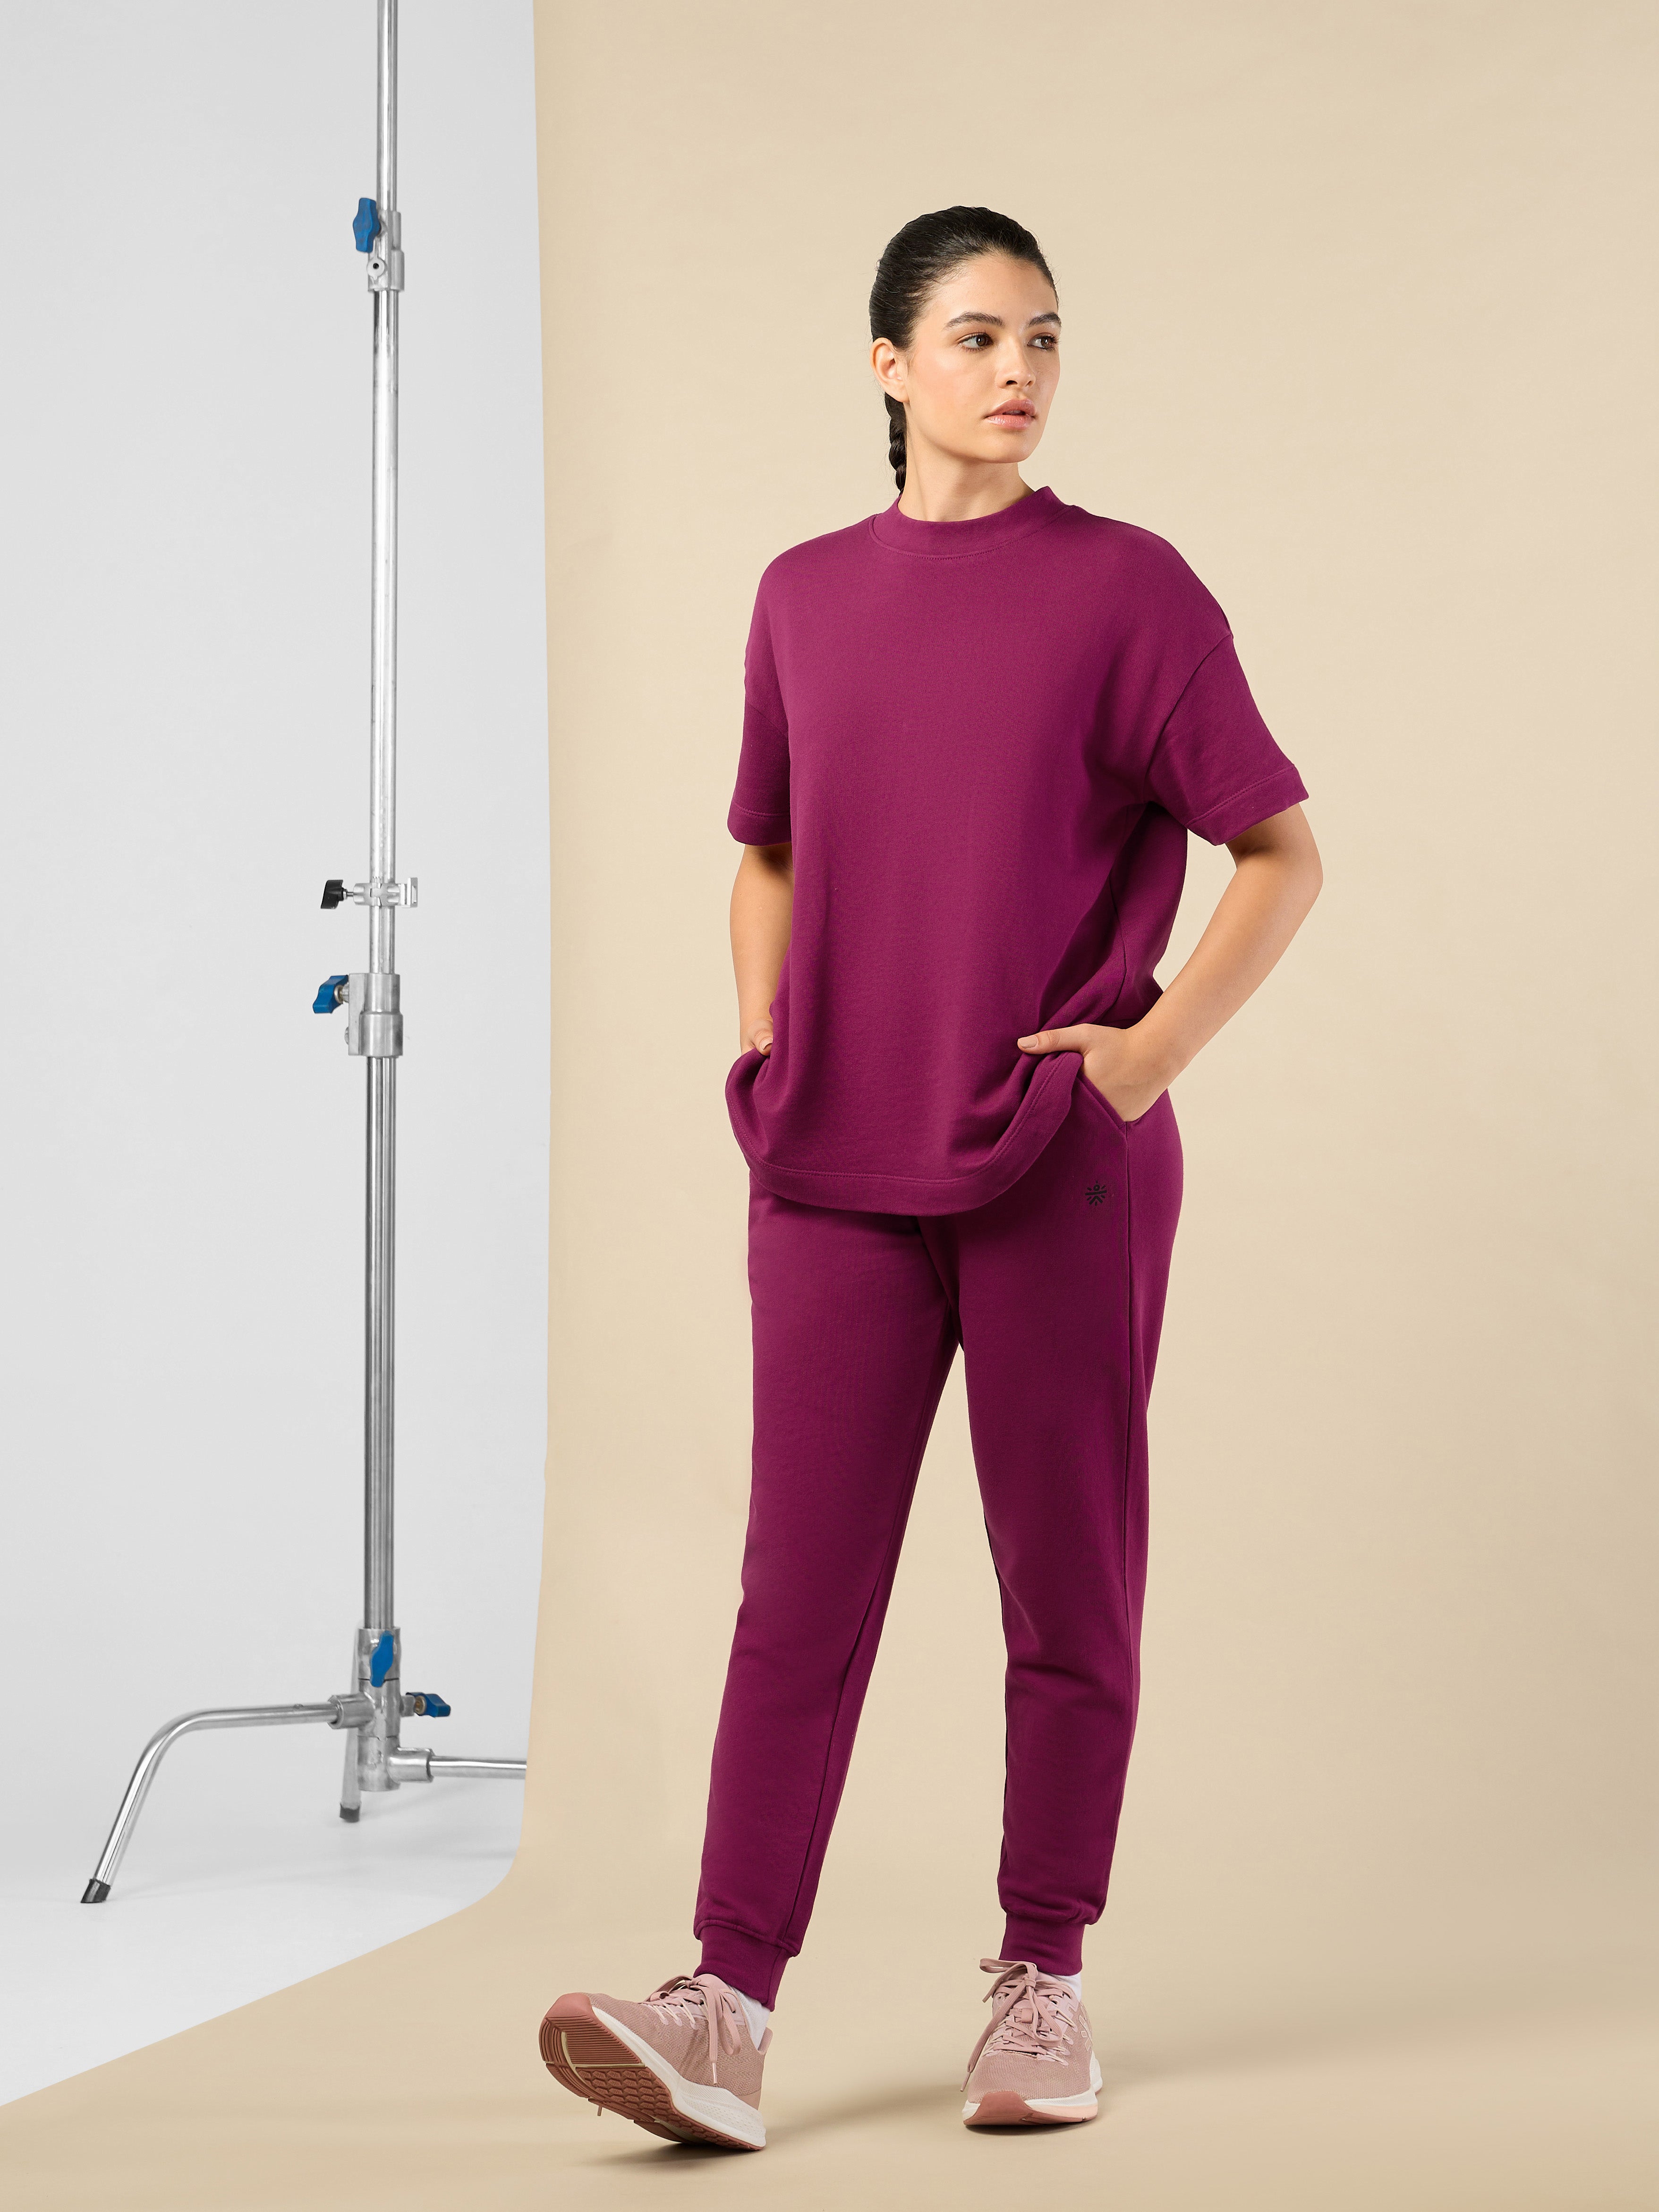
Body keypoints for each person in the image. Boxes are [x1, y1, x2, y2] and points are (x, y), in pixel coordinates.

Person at [539, 205, 1322, 2151]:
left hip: (1058, 1163)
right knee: (795, 1592)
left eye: (1042, 335)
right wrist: (765, 1041)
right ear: (888, 367)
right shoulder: (802, 595)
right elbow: (770, 848)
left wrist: (1143, 1059)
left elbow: (1281, 851)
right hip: (827, 1160)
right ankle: (724, 2006)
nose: (1018, 369)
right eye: (975, 336)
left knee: (1067, 1579)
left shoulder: (1132, 592)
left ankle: (1042, 1977)